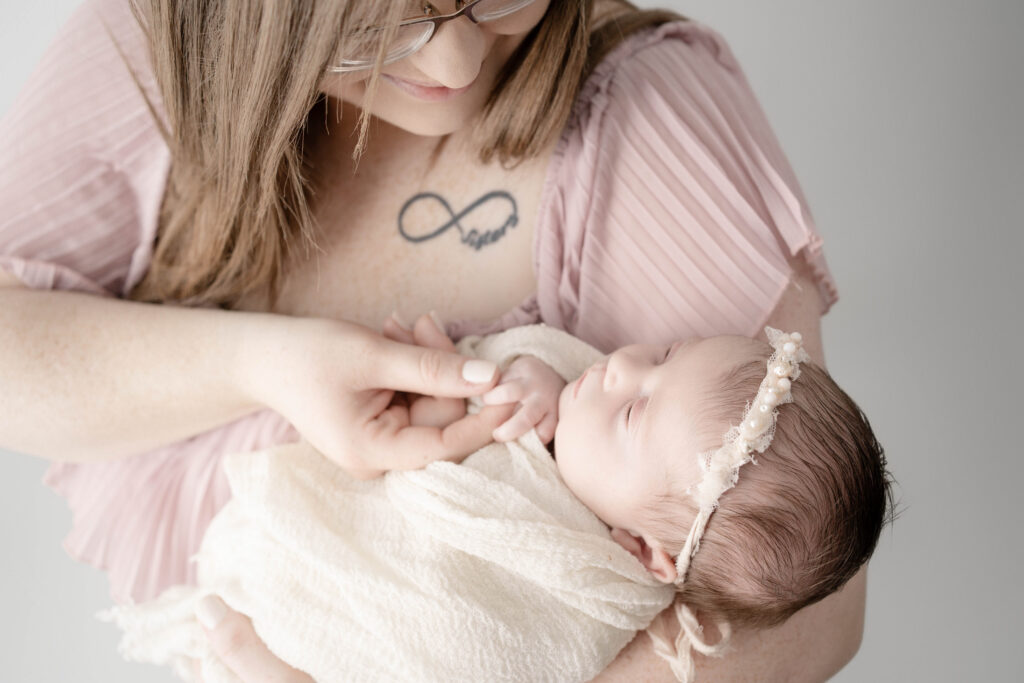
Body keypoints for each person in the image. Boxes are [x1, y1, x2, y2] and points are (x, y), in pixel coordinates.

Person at [0, 0, 865, 680]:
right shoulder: (147, 44)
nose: (457, 63)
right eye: (377, 21)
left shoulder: (643, 120)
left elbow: (799, 605)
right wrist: (264, 364)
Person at [102, 318, 891, 683]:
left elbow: (475, 636)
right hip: (315, 556)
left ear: (644, 552)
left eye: (629, 411)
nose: (618, 367)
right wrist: (516, 387)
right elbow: (505, 383)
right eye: (664, 354)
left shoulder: (579, 588)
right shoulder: (567, 400)